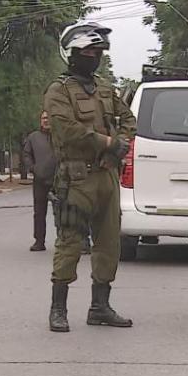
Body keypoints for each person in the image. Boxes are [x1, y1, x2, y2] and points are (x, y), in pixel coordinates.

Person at [44, 21, 137, 333]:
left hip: (107, 176)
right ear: (71, 54)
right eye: (88, 51)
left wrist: (118, 147)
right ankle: (58, 309)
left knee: (109, 243)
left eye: (98, 52)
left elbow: (128, 119)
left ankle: (100, 307)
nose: (94, 56)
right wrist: (108, 142)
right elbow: (67, 130)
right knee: (70, 243)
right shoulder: (58, 91)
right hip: (75, 178)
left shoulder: (106, 88)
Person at [23, 110, 58, 252]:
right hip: (40, 180)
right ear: (40, 120)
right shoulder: (33, 137)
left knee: (62, 211)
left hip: (58, 180)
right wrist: (33, 168)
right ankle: (39, 241)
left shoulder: (60, 137)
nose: (46, 120)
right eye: (43, 118)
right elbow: (26, 155)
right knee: (39, 212)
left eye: (49, 118)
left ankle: (64, 241)